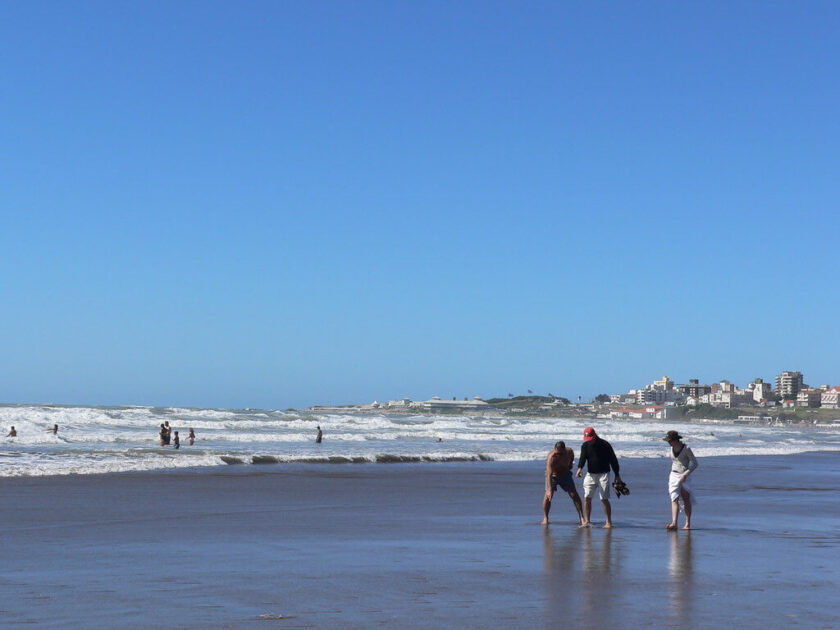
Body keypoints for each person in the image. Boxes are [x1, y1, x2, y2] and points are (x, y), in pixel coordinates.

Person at [575, 427, 622, 528]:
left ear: (595, 435)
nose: (589, 441)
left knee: (604, 498)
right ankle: (587, 521)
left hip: (603, 474)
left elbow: (613, 460)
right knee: (587, 497)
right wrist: (579, 468)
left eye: (590, 439)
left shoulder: (605, 445)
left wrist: (617, 475)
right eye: (587, 439)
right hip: (590, 474)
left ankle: (608, 522)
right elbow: (582, 458)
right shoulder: (585, 445)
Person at [542, 440, 585, 526]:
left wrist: (570, 464)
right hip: (553, 476)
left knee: (574, 495)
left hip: (565, 474)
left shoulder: (569, 451)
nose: (558, 455)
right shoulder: (551, 457)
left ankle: (582, 517)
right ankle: (545, 517)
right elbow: (549, 475)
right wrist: (549, 490)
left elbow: (572, 455)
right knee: (548, 496)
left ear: (564, 450)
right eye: (557, 453)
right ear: (555, 450)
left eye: (561, 453)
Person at [663, 430, 698, 530]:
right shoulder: (671, 448)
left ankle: (687, 523)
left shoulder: (686, 448)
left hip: (684, 475)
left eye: (669, 441)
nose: (668, 442)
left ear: (675, 440)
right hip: (673, 474)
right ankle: (674, 523)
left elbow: (695, 463)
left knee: (686, 498)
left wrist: (685, 474)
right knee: (674, 498)